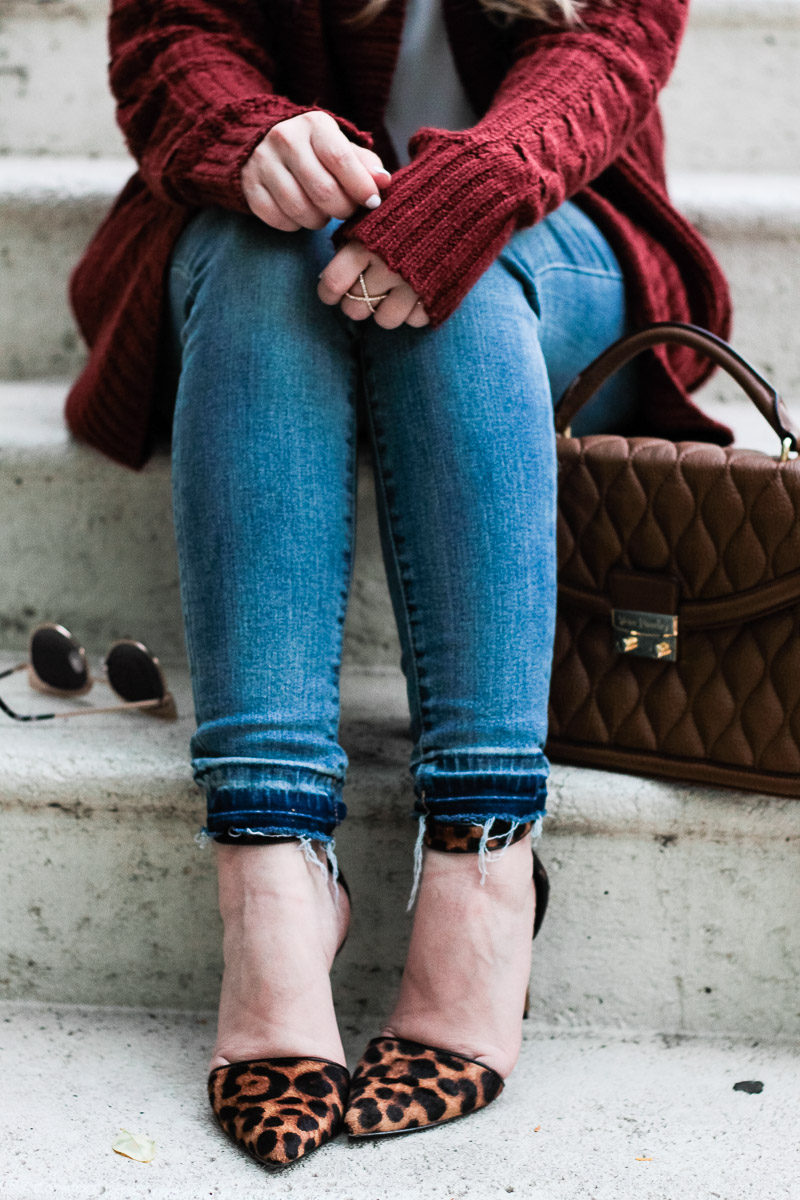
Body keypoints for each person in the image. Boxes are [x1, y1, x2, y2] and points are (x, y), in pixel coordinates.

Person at [65, 0, 732, 1170]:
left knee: (456, 275)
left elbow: (614, 42)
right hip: (264, 250)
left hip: (550, 226)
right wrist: (249, 136)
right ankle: (269, 873)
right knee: (274, 253)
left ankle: (483, 864)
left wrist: (481, 180)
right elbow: (170, 31)